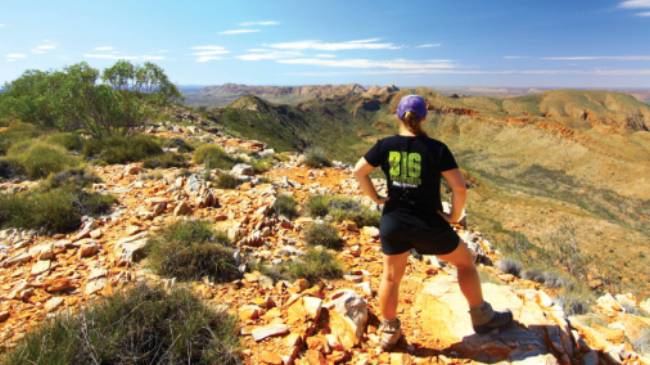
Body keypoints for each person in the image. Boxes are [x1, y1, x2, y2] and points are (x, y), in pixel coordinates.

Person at [353, 94, 513, 351]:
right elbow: (459, 189)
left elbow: (358, 171)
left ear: (398, 116)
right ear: (424, 117)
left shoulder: (384, 145)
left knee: (391, 278)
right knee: (465, 262)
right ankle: (481, 316)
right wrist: (455, 216)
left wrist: (377, 198)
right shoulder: (436, 148)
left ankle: (389, 331)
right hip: (429, 223)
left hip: (393, 222)